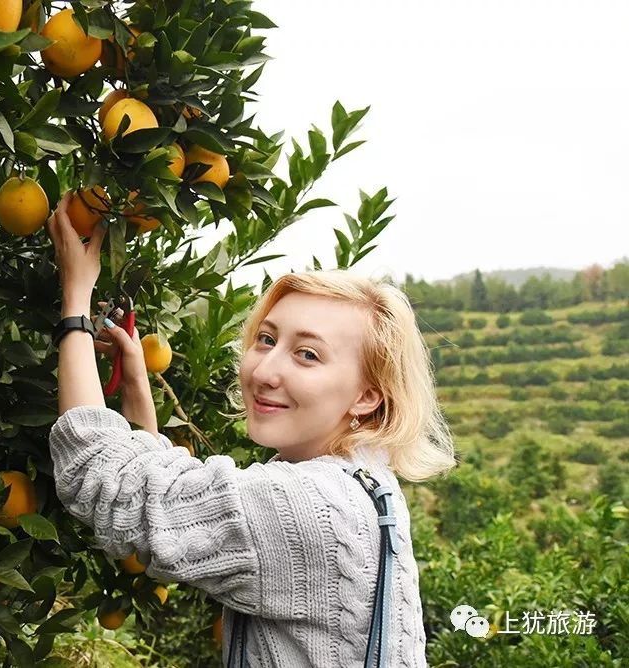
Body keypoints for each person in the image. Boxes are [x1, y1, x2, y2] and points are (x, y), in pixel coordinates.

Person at [45, 190, 457, 667]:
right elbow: (167, 498)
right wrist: (137, 381)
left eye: (308, 354)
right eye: (266, 339)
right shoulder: (364, 483)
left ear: (368, 394)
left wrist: (74, 302)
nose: (263, 372)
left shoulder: (303, 509)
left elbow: (103, 478)